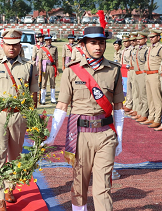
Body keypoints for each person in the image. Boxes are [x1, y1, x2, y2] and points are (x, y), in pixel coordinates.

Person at [42, 26, 124, 211]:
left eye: (101, 43)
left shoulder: (114, 70)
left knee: (104, 186)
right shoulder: (71, 71)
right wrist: (52, 137)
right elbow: (62, 106)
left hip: (106, 134)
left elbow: (118, 107)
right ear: (83, 44)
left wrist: (120, 137)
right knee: (80, 183)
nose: (98, 47)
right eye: (93, 43)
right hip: (80, 135)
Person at [0, 29, 38, 211]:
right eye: (8, 45)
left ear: (20, 46)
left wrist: (32, 117)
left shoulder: (29, 66)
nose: (12, 48)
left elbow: (33, 94)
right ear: (2, 46)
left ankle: (9, 187)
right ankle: (0, 199)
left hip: (18, 116)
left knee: (15, 155)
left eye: (15, 45)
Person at [140, 29, 162, 128]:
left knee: (156, 98)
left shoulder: (161, 48)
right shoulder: (150, 48)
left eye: (153, 37)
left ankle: (157, 119)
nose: (151, 39)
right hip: (148, 74)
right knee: (150, 98)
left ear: (158, 37)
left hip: (155, 74)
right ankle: (151, 117)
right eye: (150, 37)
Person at [38, 33, 58, 105]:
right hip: (44, 67)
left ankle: (53, 99)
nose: (48, 41)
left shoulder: (54, 48)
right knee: (43, 83)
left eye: (49, 40)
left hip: (52, 66)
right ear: (45, 40)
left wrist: (57, 69)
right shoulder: (42, 49)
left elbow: (56, 60)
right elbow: (39, 60)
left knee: (52, 83)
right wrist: (40, 70)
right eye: (47, 40)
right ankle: (42, 99)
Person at [134, 32, 149, 123]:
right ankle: (139, 112)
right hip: (137, 73)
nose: (138, 40)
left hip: (143, 73)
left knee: (144, 95)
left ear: (145, 40)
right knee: (138, 94)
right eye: (138, 39)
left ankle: (144, 114)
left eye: (140, 39)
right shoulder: (138, 49)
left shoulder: (146, 49)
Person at [127, 32, 139, 118]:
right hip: (131, 70)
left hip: (136, 71)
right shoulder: (133, 49)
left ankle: (137, 109)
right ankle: (134, 107)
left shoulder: (138, 49)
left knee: (136, 91)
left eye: (133, 40)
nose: (132, 42)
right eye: (130, 40)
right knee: (131, 89)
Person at [121, 35, 133, 112]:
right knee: (125, 88)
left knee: (129, 88)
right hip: (123, 71)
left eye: (126, 41)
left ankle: (129, 103)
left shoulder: (131, 50)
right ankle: (127, 102)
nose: (125, 43)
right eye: (124, 42)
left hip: (128, 70)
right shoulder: (123, 50)